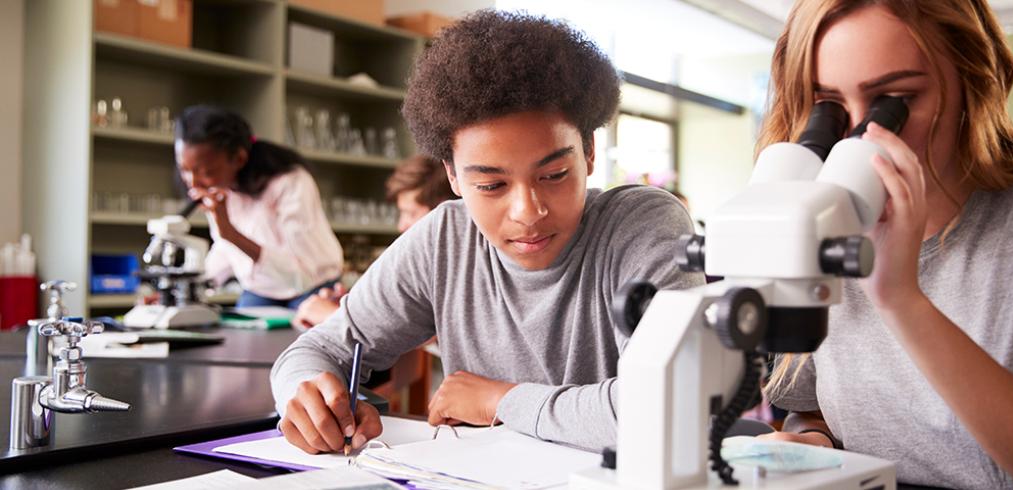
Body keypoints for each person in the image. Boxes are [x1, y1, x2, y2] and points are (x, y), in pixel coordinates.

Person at [759, 1, 1013, 489]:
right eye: (826, 105)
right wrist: (816, 444)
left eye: (893, 99)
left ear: (972, 85)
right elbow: (815, 414)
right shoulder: (825, 216)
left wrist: (901, 299)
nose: (854, 136)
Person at [269, 10, 705, 455]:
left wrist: (502, 399)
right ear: (454, 178)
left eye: (554, 174)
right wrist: (307, 396)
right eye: (491, 185)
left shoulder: (643, 224)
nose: (528, 211)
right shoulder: (445, 239)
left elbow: (669, 407)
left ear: (589, 152)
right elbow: (316, 351)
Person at [175, 106, 343, 310]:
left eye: (205, 171)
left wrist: (230, 233)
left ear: (239, 159)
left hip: (312, 286)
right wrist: (180, 292)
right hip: (261, 289)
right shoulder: (220, 188)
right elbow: (225, 251)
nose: (193, 183)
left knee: (302, 339)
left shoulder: (290, 182)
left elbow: (300, 277)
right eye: (185, 170)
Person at [292, 155, 458, 330]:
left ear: (443, 211)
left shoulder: (456, 266)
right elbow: (401, 314)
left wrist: (334, 316)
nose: (401, 225)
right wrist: (357, 307)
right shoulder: (425, 264)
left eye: (410, 213)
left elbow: (421, 331)